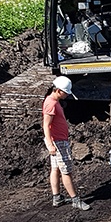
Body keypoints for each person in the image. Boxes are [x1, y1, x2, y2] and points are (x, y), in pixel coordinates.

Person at [42, 76, 91, 211]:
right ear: (58, 90)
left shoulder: (53, 101)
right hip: (58, 142)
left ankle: (57, 197)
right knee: (66, 171)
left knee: (56, 169)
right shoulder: (51, 103)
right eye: (65, 92)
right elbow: (46, 125)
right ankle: (75, 199)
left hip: (57, 140)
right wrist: (51, 145)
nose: (67, 95)